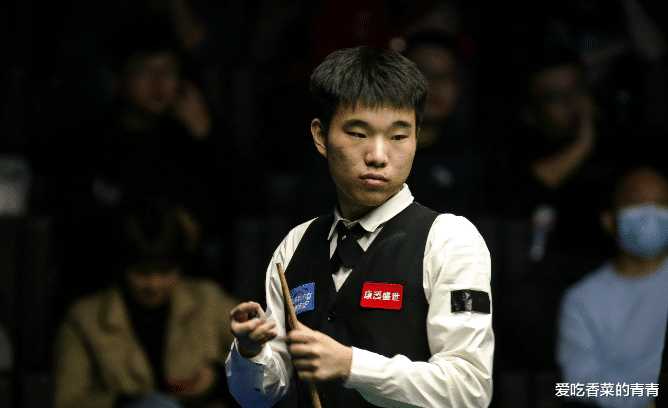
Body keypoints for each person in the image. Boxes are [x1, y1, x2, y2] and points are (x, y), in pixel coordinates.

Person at [225, 47, 494, 407]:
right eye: (357, 134)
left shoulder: (449, 240)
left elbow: (470, 390)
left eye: (398, 136)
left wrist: (351, 365)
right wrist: (250, 352)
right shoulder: (296, 244)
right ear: (321, 136)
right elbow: (257, 398)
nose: (378, 156)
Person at [52, 197, 239, 408]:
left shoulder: (207, 300)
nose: (154, 284)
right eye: (142, 272)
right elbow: (66, 401)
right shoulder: (86, 319)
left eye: (165, 271)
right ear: (123, 267)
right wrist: (130, 403)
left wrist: (218, 380)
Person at [556, 165, 668, 408]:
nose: (650, 212)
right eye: (637, 202)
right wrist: (645, 398)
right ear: (609, 220)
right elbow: (577, 383)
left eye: (661, 203)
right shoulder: (582, 299)